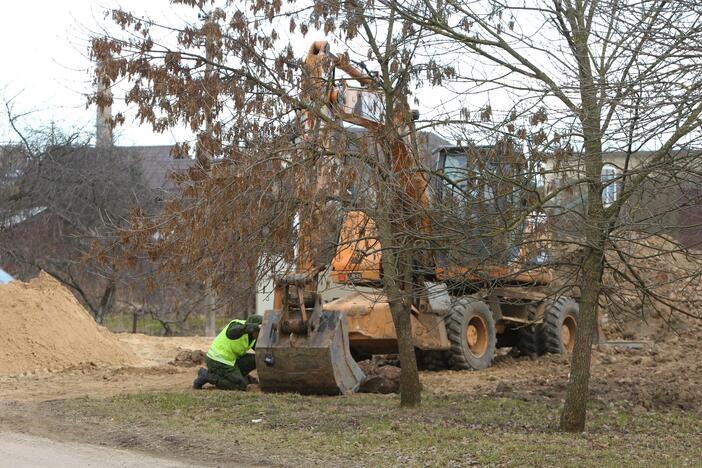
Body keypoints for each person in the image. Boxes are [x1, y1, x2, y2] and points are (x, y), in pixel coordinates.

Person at [193, 315, 262, 390]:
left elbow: (262, 351)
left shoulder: (253, 337)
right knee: (240, 386)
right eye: (260, 331)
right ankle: (207, 376)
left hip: (230, 361)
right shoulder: (237, 326)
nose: (261, 334)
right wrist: (256, 326)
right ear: (252, 328)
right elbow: (232, 332)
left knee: (257, 359)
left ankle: (238, 377)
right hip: (217, 360)